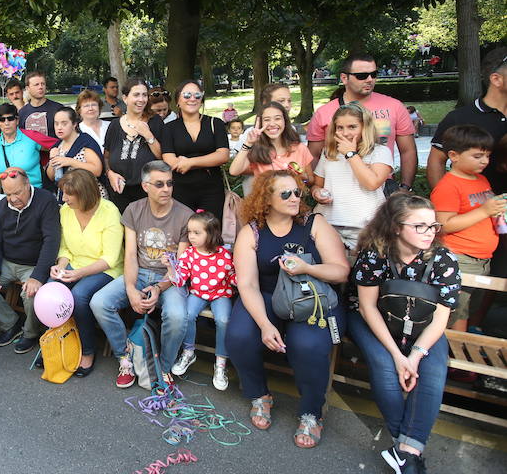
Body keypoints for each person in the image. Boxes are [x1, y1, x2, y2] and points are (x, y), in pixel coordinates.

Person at [226, 170, 349, 448]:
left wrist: (307, 267)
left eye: (297, 192)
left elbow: (340, 271)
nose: (294, 198)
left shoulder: (313, 223)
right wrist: (265, 324)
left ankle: (311, 412)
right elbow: (247, 284)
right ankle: (259, 394)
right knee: (240, 335)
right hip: (269, 296)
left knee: (306, 344)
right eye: (285, 193)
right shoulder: (252, 232)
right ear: (266, 199)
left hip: (312, 298)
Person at [347, 194, 459, 474]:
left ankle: (406, 453)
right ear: (396, 227)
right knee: (385, 366)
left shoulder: (443, 259)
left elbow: (440, 319)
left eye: (433, 226)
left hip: (423, 326)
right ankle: (409, 452)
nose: (429, 232)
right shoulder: (376, 254)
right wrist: (398, 356)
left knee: (431, 374)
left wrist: (416, 356)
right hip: (374, 319)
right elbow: (367, 307)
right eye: (419, 226)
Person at [90, 160, 191, 388]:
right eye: (159, 184)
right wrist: (130, 289)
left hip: (170, 278)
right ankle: (125, 356)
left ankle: (163, 367)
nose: (166, 189)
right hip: (140, 270)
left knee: (176, 317)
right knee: (99, 302)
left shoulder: (185, 215)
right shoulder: (134, 210)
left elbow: (181, 265)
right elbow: (131, 255)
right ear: (145, 186)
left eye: (169, 183)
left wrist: (159, 288)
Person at [427, 47, 507, 281]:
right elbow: (436, 160)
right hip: (473, 218)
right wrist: (449, 203)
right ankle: (475, 319)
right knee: (482, 281)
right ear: (496, 79)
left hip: (496, 216)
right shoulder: (459, 118)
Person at [0, 167, 60, 354]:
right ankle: (11, 322)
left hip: (33, 264)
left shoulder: (46, 201)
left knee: (31, 295)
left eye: (17, 192)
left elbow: (51, 242)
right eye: (8, 194)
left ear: (28, 184)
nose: (13, 199)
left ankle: (30, 333)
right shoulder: (3, 206)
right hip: (7, 261)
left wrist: (38, 275)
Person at [430, 125, 505, 332]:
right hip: (459, 258)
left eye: (488, 155)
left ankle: (463, 349)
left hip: (482, 259)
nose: (485, 161)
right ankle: (454, 358)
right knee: (457, 313)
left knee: (470, 309)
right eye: (478, 156)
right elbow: (443, 225)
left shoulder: (481, 179)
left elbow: (485, 211)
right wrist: (484, 211)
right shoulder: (448, 186)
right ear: (453, 155)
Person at [307, 53, 417, 194]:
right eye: (362, 76)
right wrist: (316, 189)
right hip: (338, 188)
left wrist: (405, 187)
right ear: (344, 78)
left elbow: (408, 150)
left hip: (381, 186)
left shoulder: (395, 106)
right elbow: (314, 155)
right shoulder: (324, 113)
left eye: (374, 74)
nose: (370, 79)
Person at [50, 169, 123, 376]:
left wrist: (79, 273)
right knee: (51, 290)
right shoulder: (66, 210)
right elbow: (65, 247)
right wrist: (61, 266)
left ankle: (88, 351)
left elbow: (110, 257)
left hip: (105, 268)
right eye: (63, 193)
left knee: (79, 297)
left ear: (85, 195)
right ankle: (57, 344)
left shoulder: (109, 212)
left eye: (68, 195)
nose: (64, 199)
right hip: (75, 262)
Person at [311, 104, 393, 252]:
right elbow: (317, 185)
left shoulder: (380, 152)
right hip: (328, 224)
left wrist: (350, 154)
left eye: (352, 127)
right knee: (332, 272)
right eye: (340, 127)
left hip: (365, 227)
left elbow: (372, 183)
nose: (345, 133)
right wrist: (317, 193)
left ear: (365, 127)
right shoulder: (329, 152)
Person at [169, 211, 235, 389]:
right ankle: (189, 351)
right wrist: (171, 268)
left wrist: (244, 279)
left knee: (224, 320)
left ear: (211, 234)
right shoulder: (189, 254)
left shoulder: (224, 254)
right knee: (187, 315)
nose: (191, 237)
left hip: (221, 293)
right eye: (189, 232)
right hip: (197, 292)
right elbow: (181, 279)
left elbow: (231, 277)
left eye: (197, 233)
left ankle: (220, 362)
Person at [161, 80, 229, 216]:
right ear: (178, 101)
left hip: (212, 190)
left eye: (197, 95)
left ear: (202, 100)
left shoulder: (215, 124)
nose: (192, 99)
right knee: (184, 233)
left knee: (212, 232)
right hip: (181, 190)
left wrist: (190, 162)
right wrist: (208, 160)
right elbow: (170, 160)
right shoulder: (169, 128)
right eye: (187, 95)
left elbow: (223, 155)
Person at [102, 78, 164, 213]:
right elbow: (106, 157)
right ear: (125, 98)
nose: (141, 99)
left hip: (147, 192)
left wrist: (148, 135)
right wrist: (110, 173)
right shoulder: (115, 126)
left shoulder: (155, 122)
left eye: (144, 95)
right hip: (119, 192)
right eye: (136, 95)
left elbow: (162, 156)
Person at [229, 102, 314, 191]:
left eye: (277, 118)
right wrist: (248, 143)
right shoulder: (257, 150)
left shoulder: (300, 148)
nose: (272, 124)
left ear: (285, 121)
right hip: (264, 203)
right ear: (260, 123)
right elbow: (234, 171)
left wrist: (303, 177)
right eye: (266, 120)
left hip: (293, 202)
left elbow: (311, 180)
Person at [46, 107, 104, 201]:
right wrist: (52, 159)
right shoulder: (57, 146)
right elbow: (52, 177)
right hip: (66, 198)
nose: (59, 127)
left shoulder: (85, 142)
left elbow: (97, 170)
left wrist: (71, 162)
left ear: (74, 124)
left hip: (88, 196)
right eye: (56, 124)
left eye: (64, 123)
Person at [0, 103, 47, 190]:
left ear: (17, 121)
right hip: (9, 197)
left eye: (10, 119)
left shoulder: (32, 138)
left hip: (35, 193)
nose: (6, 123)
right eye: (2, 120)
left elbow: (55, 147)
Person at [18, 71, 63, 137]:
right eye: (36, 84)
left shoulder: (58, 109)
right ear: (28, 88)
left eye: (43, 84)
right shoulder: (22, 113)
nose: (40, 87)